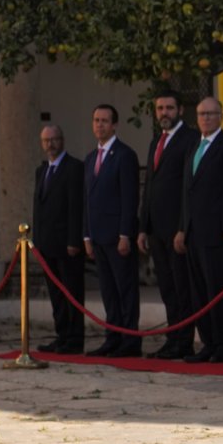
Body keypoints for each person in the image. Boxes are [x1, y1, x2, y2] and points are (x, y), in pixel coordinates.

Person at [177, 97, 223, 364]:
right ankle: (207, 343)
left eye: (211, 113)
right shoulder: (195, 145)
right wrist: (182, 228)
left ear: (221, 116)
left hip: (216, 233)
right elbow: (186, 192)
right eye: (202, 113)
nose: (205, 118)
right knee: (199, 293)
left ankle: (222, 347)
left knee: (217, 291)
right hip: (194, 232)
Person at [138, 90, 201, 359]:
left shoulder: (190, 139)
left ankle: (184, 341)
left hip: (176, 230)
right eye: (160, 108)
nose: (164, 112)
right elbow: (149, 186)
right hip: (155, 230)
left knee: (181, 288)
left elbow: (188, 188)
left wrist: (182, 228)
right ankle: (172, 339)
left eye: (169, 108)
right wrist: (143, 226)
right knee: (166, 288)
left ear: (180, 111)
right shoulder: (156, 141)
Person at [83, 104, 143, 358]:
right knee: (108, 291)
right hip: (97, 235)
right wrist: (86, 235)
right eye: (96, 120)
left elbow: (129, 198)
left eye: (105, 121)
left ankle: (130, 340)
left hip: (118, 237)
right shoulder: (89, 158)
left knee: (125, 289)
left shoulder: (124, 155)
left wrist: (125, 234)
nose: (100, 125)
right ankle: (112, 337)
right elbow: (87, 199)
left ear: (115, 125)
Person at [32, 124, 85, 354]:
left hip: (67, 245)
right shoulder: (41, 171)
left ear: (62, 140)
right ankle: (62, 336)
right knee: (55, 294)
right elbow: (39, 209)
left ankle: (74, 339)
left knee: (71, 292)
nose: (50, 144)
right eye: (46, 141)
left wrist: (75, 240)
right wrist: (36, 242)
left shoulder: (74, 168)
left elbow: (76, 207)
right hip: (46, 244)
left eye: (54, 139)